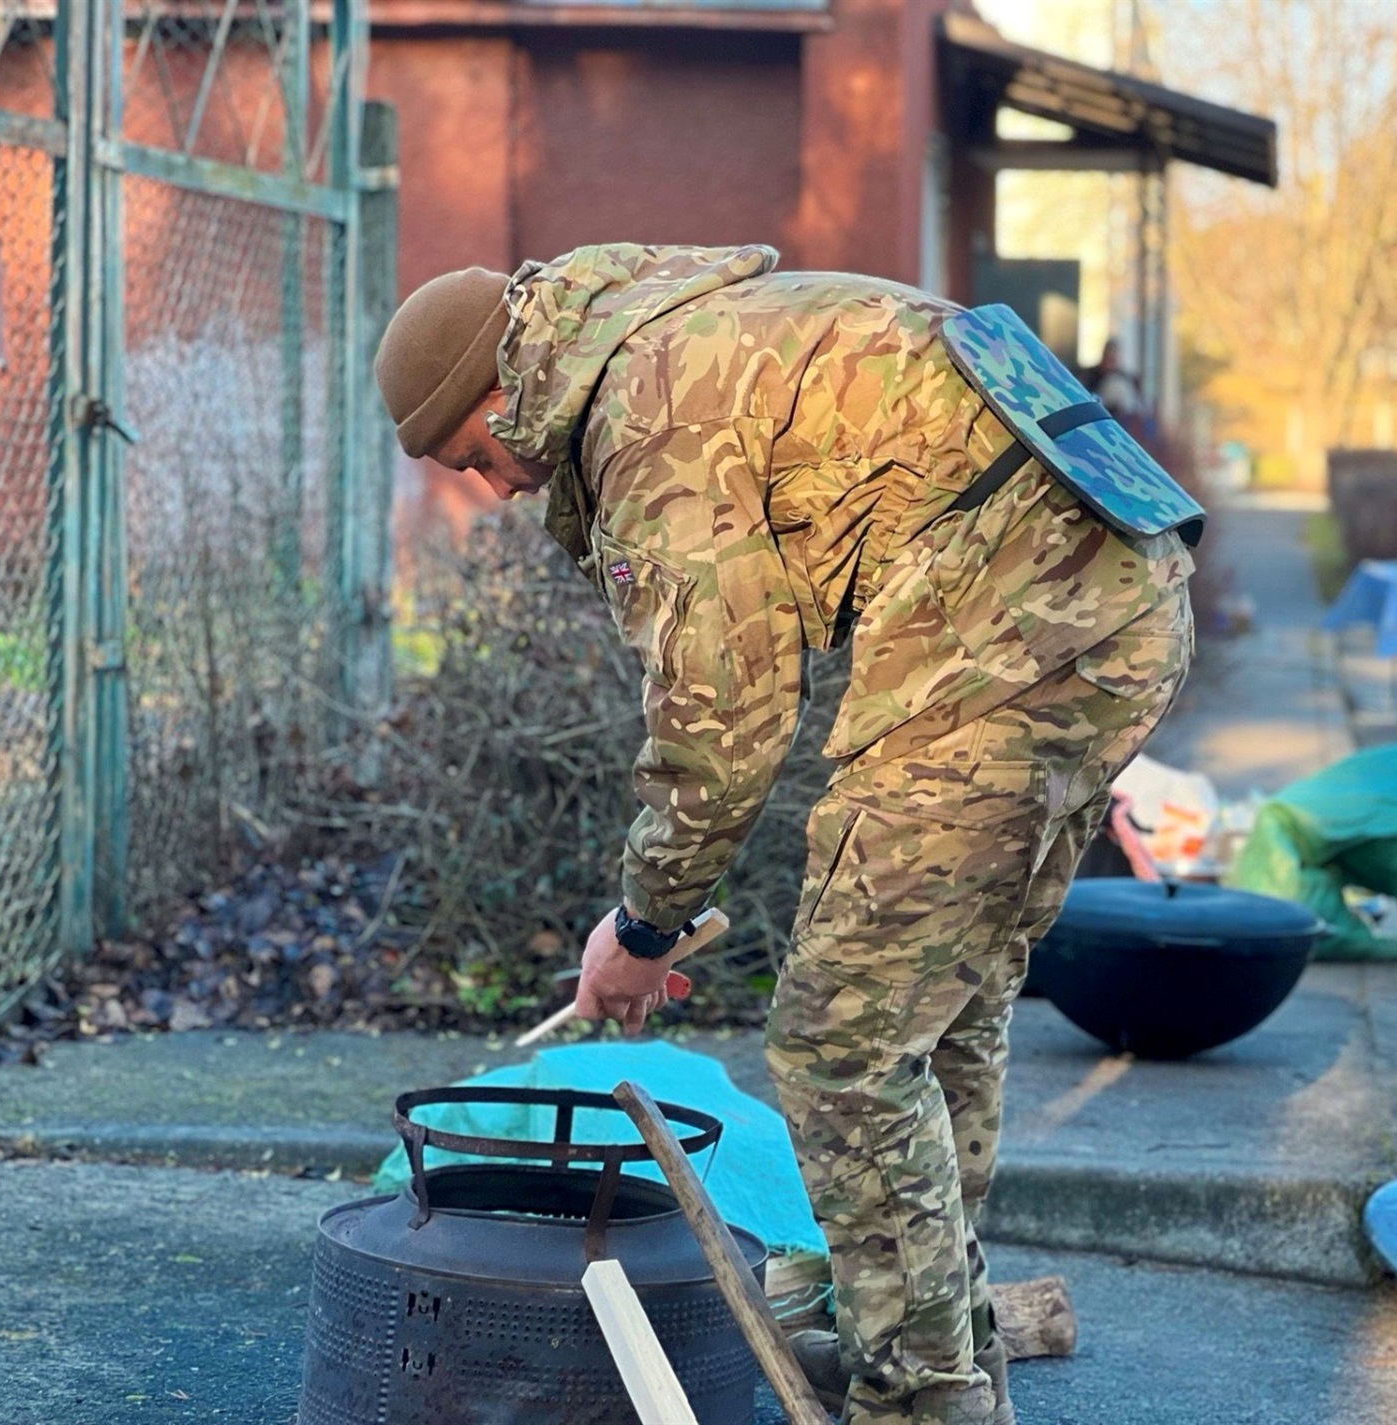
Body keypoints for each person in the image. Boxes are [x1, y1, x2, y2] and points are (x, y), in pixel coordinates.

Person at [373, 244, 1201, 1425]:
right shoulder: (667, 333)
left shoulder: (643, 415)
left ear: (499, 395)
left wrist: (643, 925)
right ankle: (930, 1341)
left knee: (838, 1042)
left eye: (474, 458)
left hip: (1013, 628)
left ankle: (918, 1401)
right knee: (938, 1010)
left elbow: (721, 718)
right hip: (1117, 600)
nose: (494, 487)